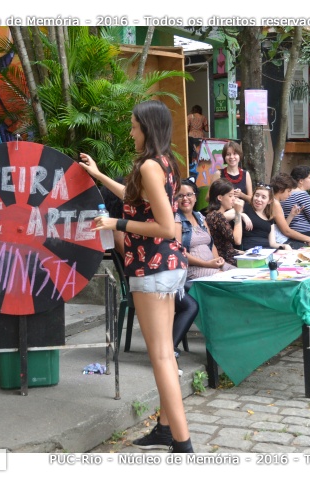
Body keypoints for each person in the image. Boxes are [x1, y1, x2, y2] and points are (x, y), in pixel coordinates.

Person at [79, 100, 193, 453]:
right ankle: (164, 429)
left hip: (152, 267)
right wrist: (99, 176)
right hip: (166, 266)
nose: (130, 132)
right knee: (165, 353)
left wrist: (115, 223)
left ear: (147, 127)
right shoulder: (164, 162)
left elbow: (165, 227)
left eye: (133, 126)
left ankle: (183, 444)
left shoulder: (149, 166)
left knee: (161, 357)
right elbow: (136, 200)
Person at [100, 179, 198, 371]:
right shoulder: (120, 228)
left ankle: (167, 352)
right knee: (190, 305)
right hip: (145, 278)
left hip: (157, 273)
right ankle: (169, 350)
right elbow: (132, 256)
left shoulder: (129, 224)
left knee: (195, 289)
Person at [175, 178, 235, 279]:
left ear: (195, 197)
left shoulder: (200, 217)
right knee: (226, 278)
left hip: (212, 265)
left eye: (189, 194)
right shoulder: (176, 220)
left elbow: (212, 244)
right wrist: (207, 264)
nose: (185, 198)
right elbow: (179, 252)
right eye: (180, 196)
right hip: (193, 268)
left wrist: (217, 260)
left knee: (239, 273)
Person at [240, 183, 292, 251]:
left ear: (269, 201)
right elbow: (226, 216)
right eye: (257, 195)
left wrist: (284, 246)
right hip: (250, 249)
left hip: (266, 250)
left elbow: (272, 243)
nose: (259, 199)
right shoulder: (246, 208)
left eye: (263, 197)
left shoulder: (269, 217)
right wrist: (242, 215)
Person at [205, 178, 245, 266]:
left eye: (234, 196)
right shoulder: (217, 216)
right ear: (220, 197)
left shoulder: (212, 215)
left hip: (227, 256)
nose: (233, 199)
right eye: (230, 196)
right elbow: (237, 240)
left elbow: (225, 245)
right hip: (225, 261)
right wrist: (238, 213)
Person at [270, 173, 310, 249]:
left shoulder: (276, 201)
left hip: (282, 239)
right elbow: (286, 231)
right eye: (288, 191)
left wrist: (291, 215)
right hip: (281, 242)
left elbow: (282, 228)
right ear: (281, 189)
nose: (290, 194)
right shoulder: (275, 204)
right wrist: (308, 239)